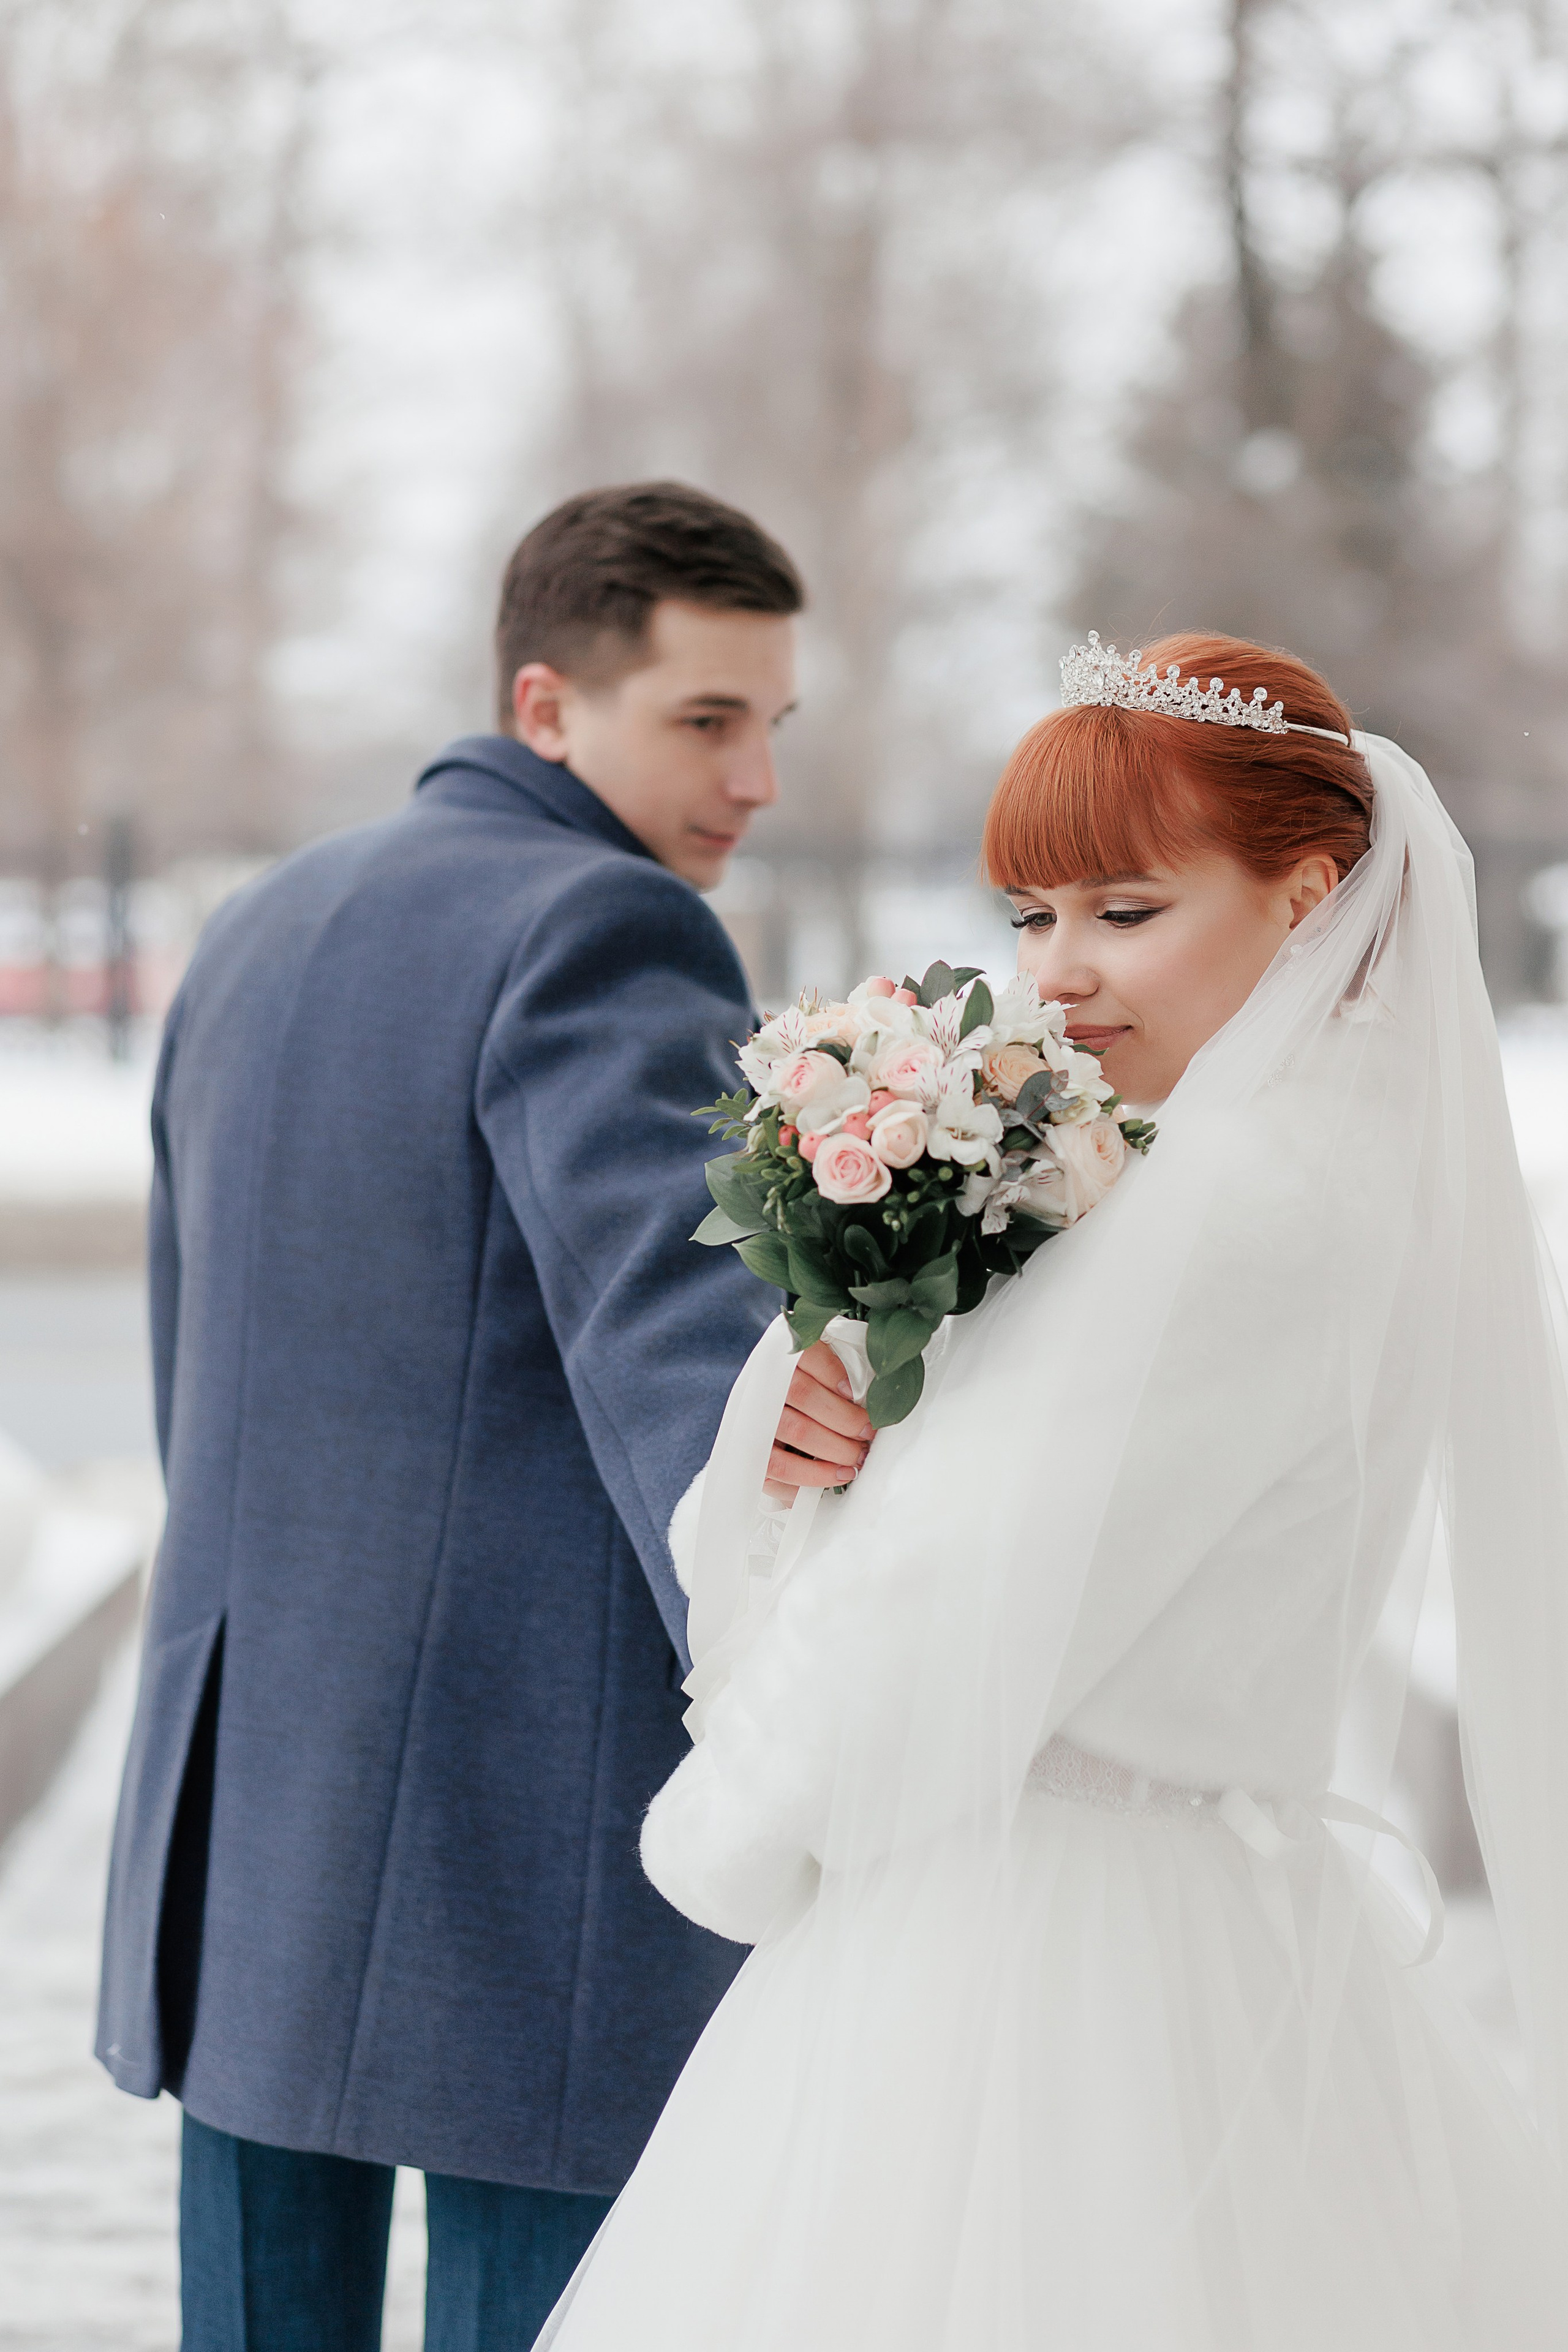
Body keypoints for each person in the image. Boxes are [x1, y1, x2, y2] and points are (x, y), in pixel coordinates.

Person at [537, 632, 1568, 2350]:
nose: (1062, 974)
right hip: (1081, 1900)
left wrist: (722, 1836)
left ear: (1306, 897)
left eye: (1128, 911)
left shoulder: (1246, 1206)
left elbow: (949, 1592)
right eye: (1032, 917)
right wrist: (831, 1402)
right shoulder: (1199, 1173)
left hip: (1047, 1950)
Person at [96, 480, 872, 2351]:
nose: (755, 777)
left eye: (775, 722)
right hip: (510, 1834)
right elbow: (689, 1362)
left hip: (251, 1798)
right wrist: (822, 1696)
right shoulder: (607, 929)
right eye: (706, 719)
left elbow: (192, 1355)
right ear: (548, 707)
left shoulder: (264, 920)